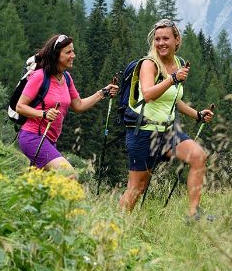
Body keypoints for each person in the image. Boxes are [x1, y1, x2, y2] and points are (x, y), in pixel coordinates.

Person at [118, 19, 214, 220]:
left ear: (176, 40)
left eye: (166, 39)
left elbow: (174, 100)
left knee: (198, 157)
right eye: (157, 39)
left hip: (167, 131)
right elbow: (148, 94)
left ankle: (194, 213)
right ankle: (116, 227)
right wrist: (173, 79)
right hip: (143, 132)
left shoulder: (178, 63)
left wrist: (197, 114)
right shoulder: (149, 64)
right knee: (137, 187)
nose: (161, 43)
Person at [16, 34, 118, 173]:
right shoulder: (40, 76)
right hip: (33, 137)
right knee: (68, 175)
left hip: (50, 140)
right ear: (56, 55)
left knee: (41, 189)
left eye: (73, 51)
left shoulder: (66, 78)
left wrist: (103, 93)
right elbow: (20, 106)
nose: (73, 55)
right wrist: (44, 114)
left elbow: (78, 105)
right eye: (68, 52)